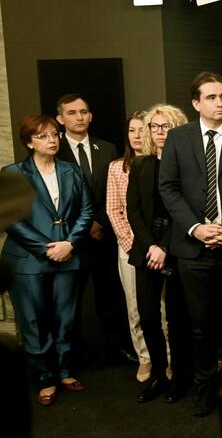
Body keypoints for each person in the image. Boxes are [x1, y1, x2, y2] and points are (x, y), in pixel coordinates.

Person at [159, 72, 222, 416]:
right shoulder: (178, 138)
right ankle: (204, 388)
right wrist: (195, 228)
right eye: (212, 97)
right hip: (193, 248)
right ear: (196, 103)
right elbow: (168, 188)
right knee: (200, 324)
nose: (220, 103)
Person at [2, 114, 93, 406]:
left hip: (68, 255)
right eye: (43, 136)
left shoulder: (72, 170)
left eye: (55, 134)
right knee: (34, 321)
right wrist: (46, 249)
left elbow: (86, 211)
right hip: (28, 261)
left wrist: (69, 243)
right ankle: (45, 378)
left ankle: (65, 371)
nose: (52, 140)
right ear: (29, 142)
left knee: (65, 318)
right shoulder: (13, 173)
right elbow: (11, 219)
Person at [55, 94, 129, 363]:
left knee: (110, 296)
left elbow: (116, 191)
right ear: (60, 119)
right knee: (70, 301)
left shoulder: (107, 148)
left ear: (91, 115)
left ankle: (117, 349)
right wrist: (85, 226)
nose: (79, 117)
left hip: (104, 234)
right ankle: (72, 355)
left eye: (84, 111)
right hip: (70, 239)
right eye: (72, 113)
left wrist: (99, 222)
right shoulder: (54, 150)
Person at [128, 104, 193, 405]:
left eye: (166, 126)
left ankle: (180, 377)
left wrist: (165, 247)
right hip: (146, 247)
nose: (159, 132)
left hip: (178, 246)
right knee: (148, 315)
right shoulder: (141, 164)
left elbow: (186, 212)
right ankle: (159, 376)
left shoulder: (187, 165)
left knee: (178, 318)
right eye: (154, 126)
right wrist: (151, 246)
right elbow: (133, 210)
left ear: (178, 128)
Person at [105, 110, 156, 383]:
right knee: (135, 306)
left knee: (163, 309)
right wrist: (130, 243)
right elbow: (114, 210)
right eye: (132, 130)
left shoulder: (161, 162)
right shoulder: (117, 167)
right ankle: (145, 358)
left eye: (142, 129)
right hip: (129, 246)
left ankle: (169, 358)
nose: (137, 135)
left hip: (158, 246)